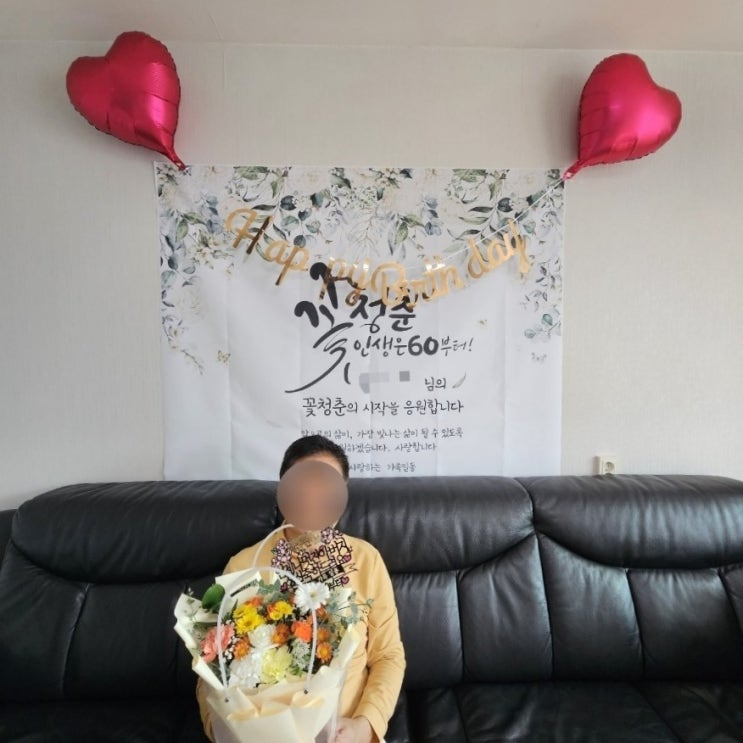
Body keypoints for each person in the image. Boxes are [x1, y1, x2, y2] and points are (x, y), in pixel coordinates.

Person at [196, 435, 406, 743]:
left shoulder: (365, 560)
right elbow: (209, 667)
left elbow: (388, 655)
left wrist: (365, 725)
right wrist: (224, 731)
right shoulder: (243, 565)